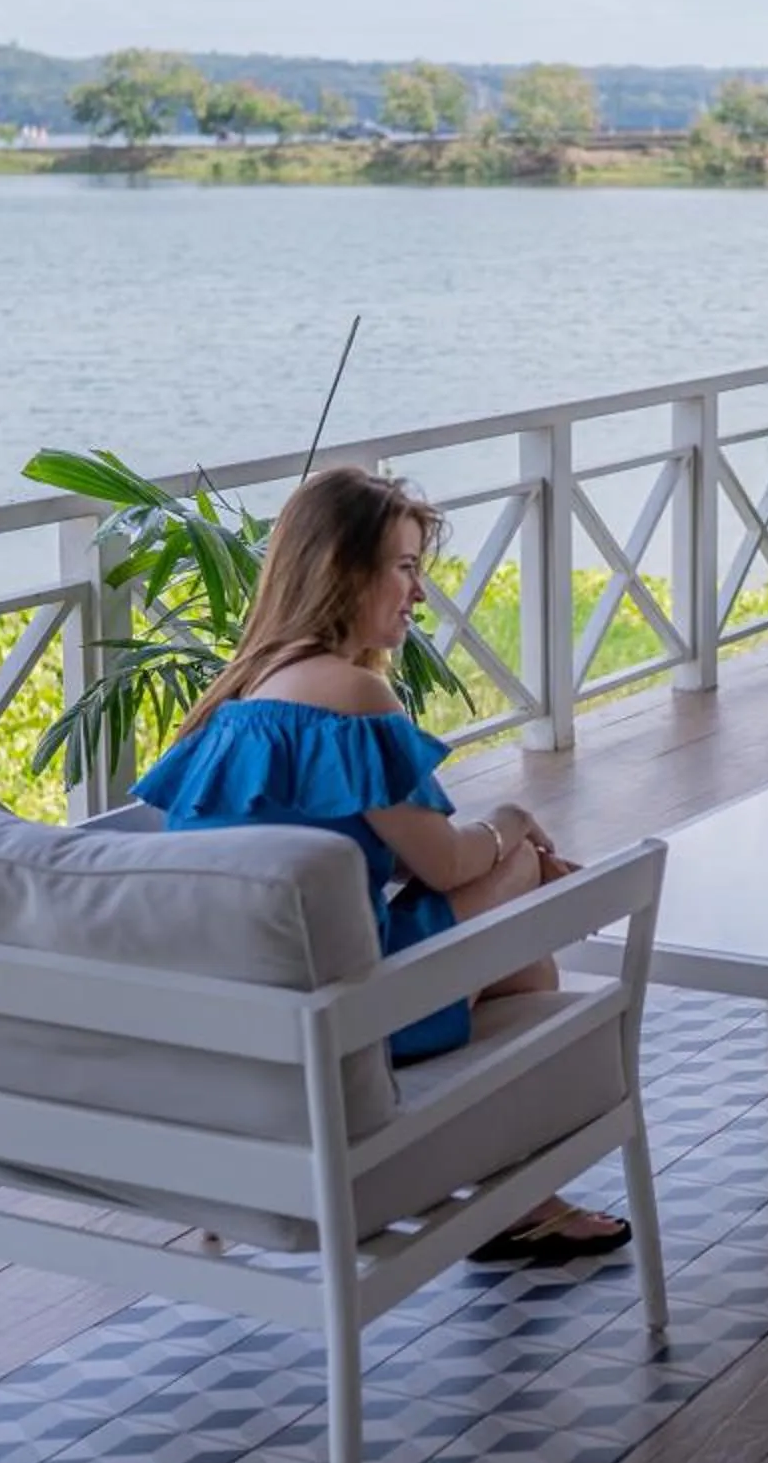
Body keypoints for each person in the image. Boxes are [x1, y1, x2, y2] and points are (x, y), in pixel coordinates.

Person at [130, 464, 621, 1267]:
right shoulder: (352, 698)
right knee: (521, 882)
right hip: (345, 1022)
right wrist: (513, 823)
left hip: (246, 1026)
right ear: (343, 571)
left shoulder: (234, 703)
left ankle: (519, 1195)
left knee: (515, 928)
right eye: (405, 567)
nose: (418, 593)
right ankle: (516, 1193)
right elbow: (447, 865)